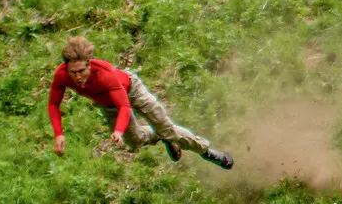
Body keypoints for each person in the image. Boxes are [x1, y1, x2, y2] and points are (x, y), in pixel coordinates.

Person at [46, 35, 233, 168]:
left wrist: (118, 131)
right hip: (109, 105)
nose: (77, 77)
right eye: (73, 72)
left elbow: (125, 107)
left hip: (132, 91)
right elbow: (53, 104)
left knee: (167, 129)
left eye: (81, 71)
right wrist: (59, 134)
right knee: (135, 142)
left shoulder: (105, 75)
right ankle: (162, 136)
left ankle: (205, 151)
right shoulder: (61, 76)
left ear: (89, 64)